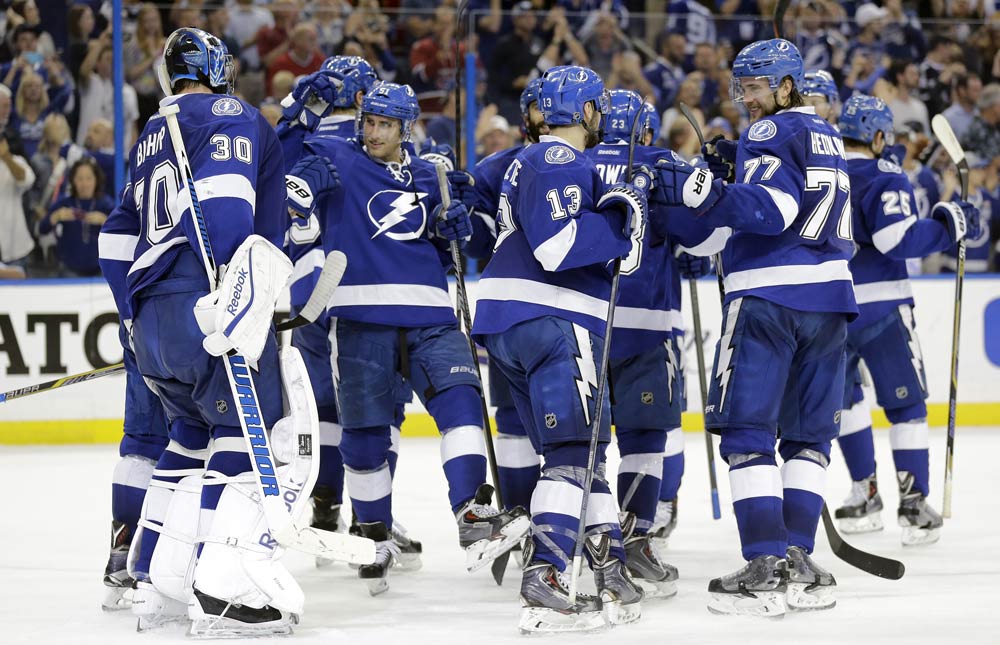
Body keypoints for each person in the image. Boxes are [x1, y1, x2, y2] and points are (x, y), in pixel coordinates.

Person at [99, 27, 301, 636]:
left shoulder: (152, 132)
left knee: (188, 436)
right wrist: (239, 299)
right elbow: (225, 207)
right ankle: (226, 593)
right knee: (249, 435)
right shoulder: (231, 113)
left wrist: (133, 317)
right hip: (210, 302)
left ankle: (160, 581)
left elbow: (115, 235)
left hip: (154, 314)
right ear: (220, 69)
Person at [292, 81, 529, 593]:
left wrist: (454, 231)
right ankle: (373, 535)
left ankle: (472, 514)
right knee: (366, 434)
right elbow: (281, 157)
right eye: (369, 122)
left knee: (464, 404)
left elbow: (464, 247)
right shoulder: (338, 157)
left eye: (385, 124)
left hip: (431, 316)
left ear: (406, 127)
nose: (373, 132)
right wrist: (301, 110)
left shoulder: (433, 174)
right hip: (359, 319)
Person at [668, 38, 857, 616]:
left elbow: (773, 211)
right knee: (807, 438)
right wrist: (739, 178)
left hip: (770, 298)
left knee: (748, 433)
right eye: (743, 87)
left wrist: (713, 191)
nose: (746, 99)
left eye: (754, 87)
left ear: (787, 86)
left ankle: (764, 563)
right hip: (830, 299)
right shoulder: (825, 132)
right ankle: (798, 557)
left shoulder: (771, 133)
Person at [471, 65, 647, 633]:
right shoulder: (558, 159)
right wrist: (619, 223)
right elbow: (557, 245)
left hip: (513, 321)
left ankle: (609, 562)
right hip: (552, 317)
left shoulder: (528, 160)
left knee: (581, 449)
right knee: (573, 451)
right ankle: (547, 575)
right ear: (590, 112)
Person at [833, 95, 980, 545]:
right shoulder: (885, 174)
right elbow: (897, 238)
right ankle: (913, 504)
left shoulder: (822, 171)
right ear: (878, 137)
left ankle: (865, 491)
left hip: (831, 309)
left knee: (848, 404)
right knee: (906, 407)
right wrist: (950, 223)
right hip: (883, 309)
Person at [37, 156, 111, 276]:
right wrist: (56, 216)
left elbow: (122, 232)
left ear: (96, 180)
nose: (84, 183)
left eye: (88, 178)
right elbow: (42, 229)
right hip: (69, 269)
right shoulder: (64, 203)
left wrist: (104, 220)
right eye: (80, 178)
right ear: (73, 180)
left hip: (100, 269)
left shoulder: (106, 204)